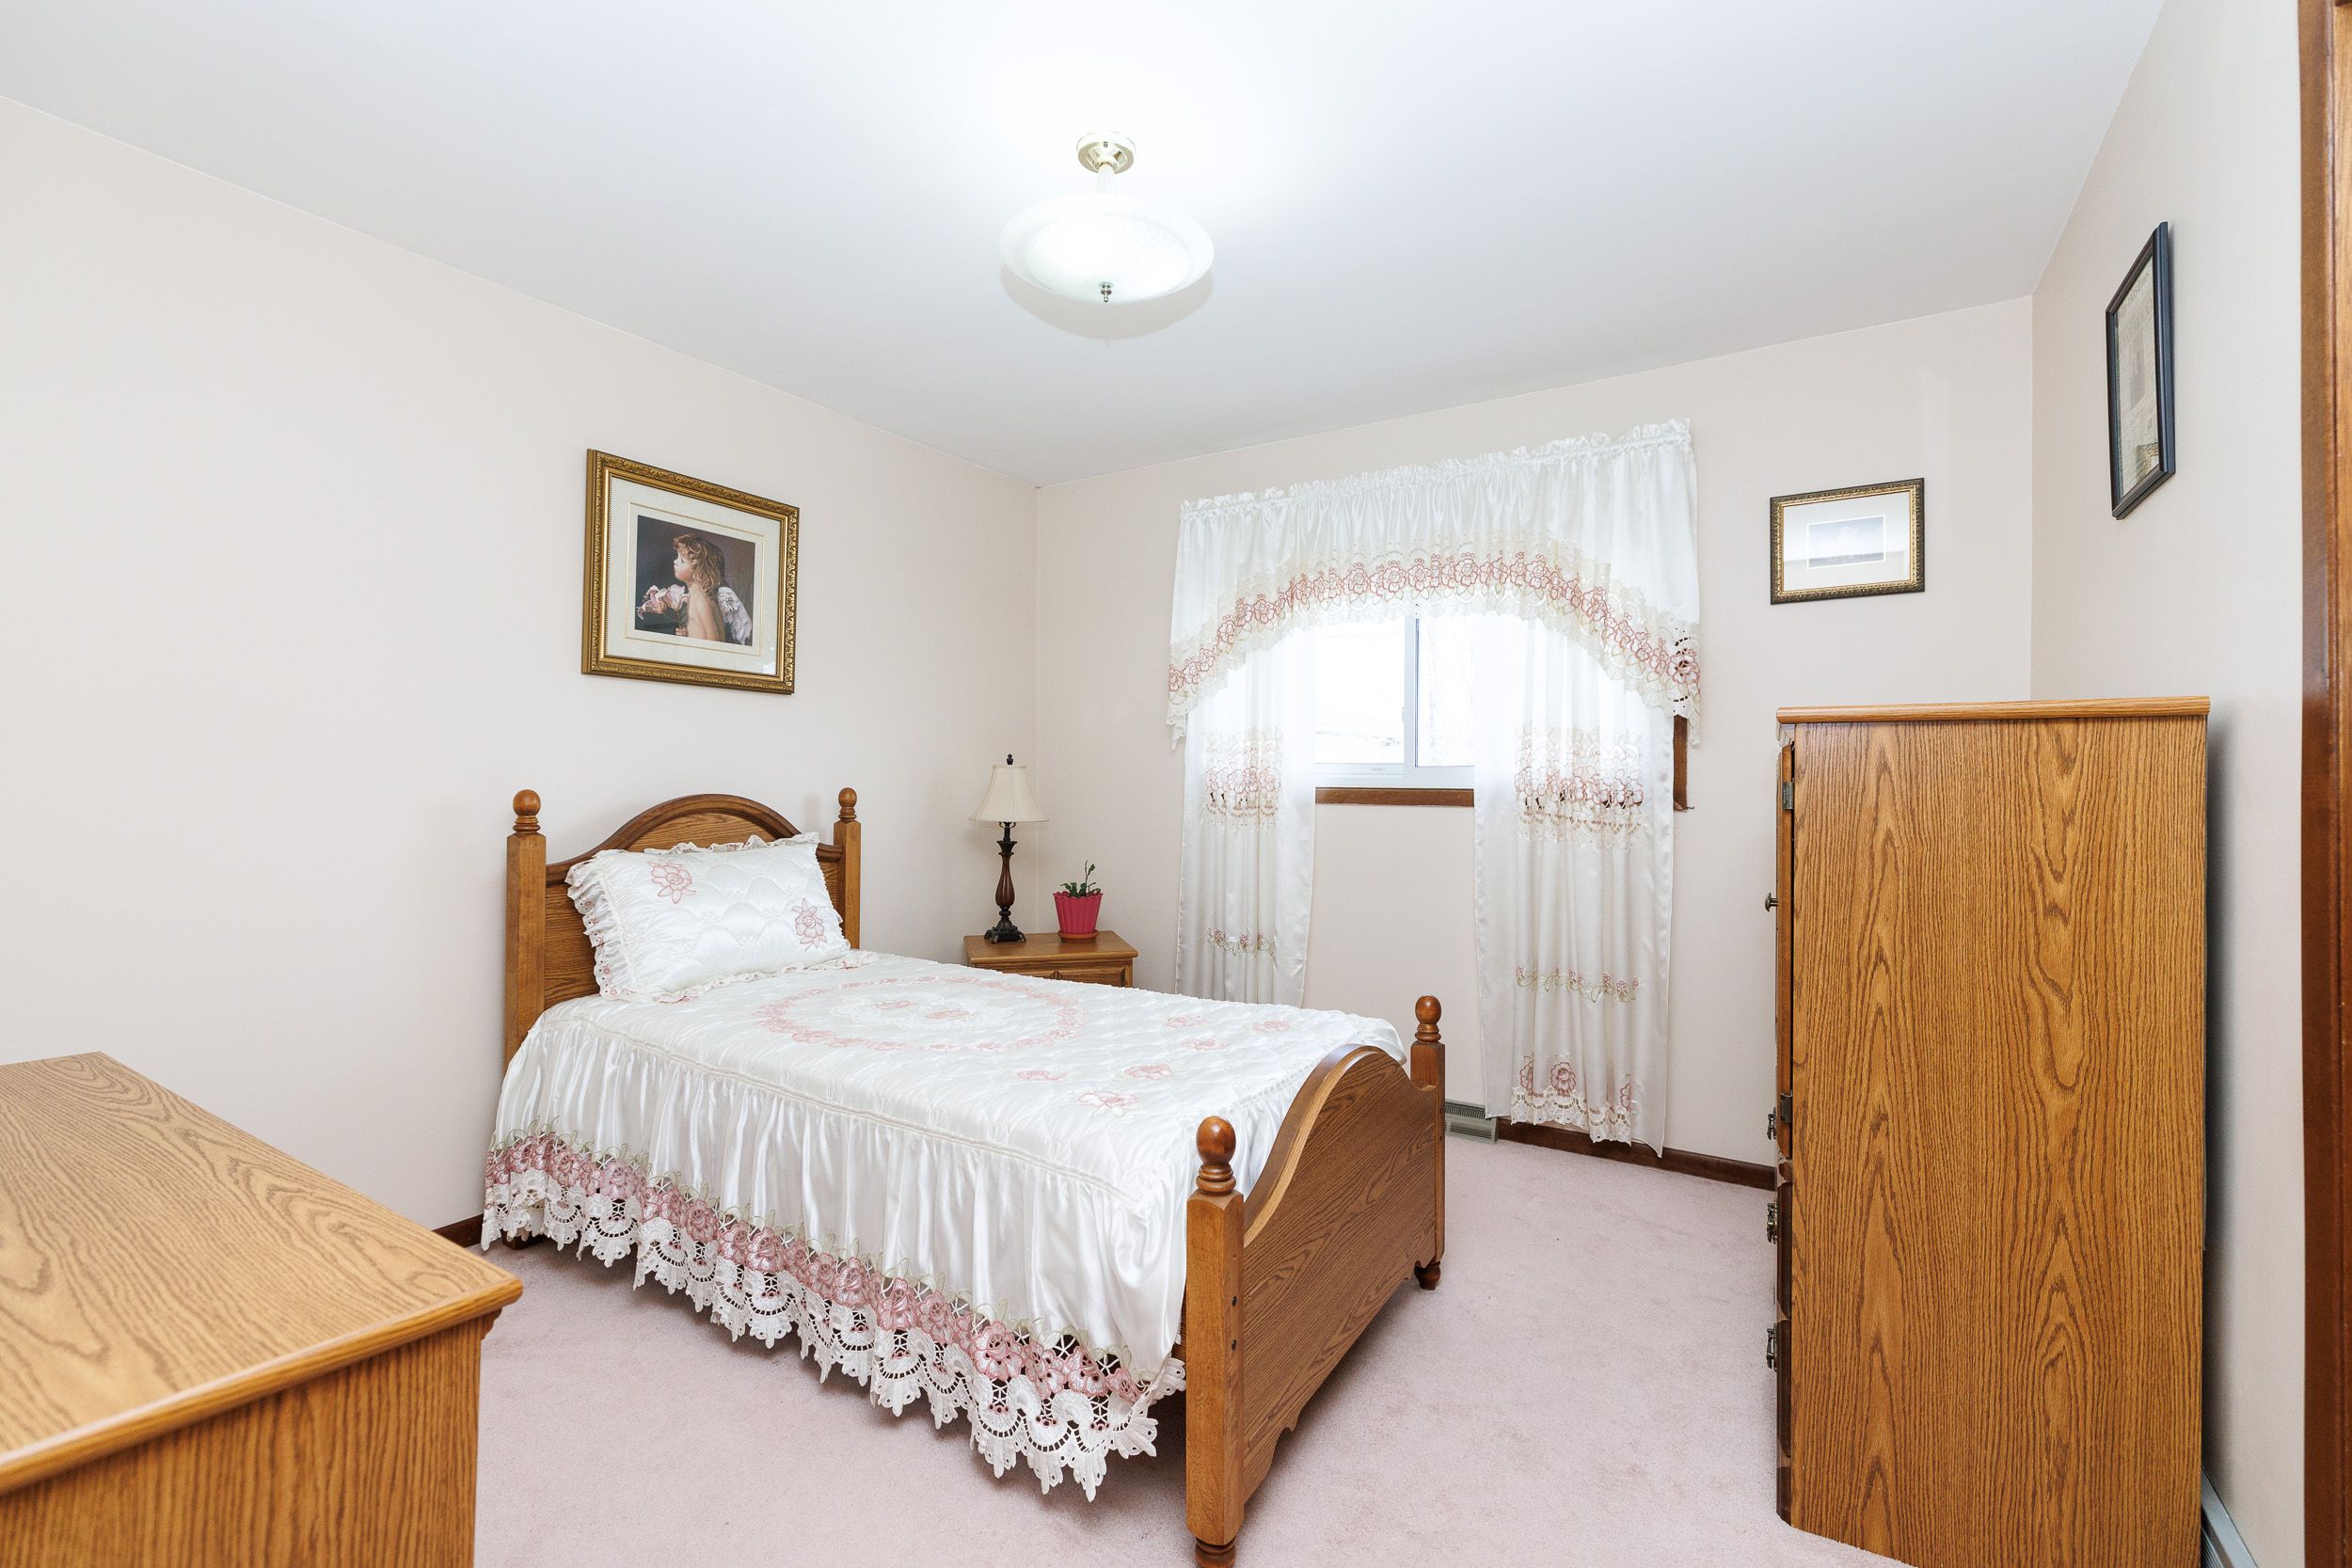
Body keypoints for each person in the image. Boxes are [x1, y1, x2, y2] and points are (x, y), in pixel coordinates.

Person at [638, 531, 753, 644]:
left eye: (682, 560)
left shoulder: (701, 601)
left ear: (699, 571)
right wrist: (687, 635)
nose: (675, 561)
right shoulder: (695, 597)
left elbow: (714, 643)